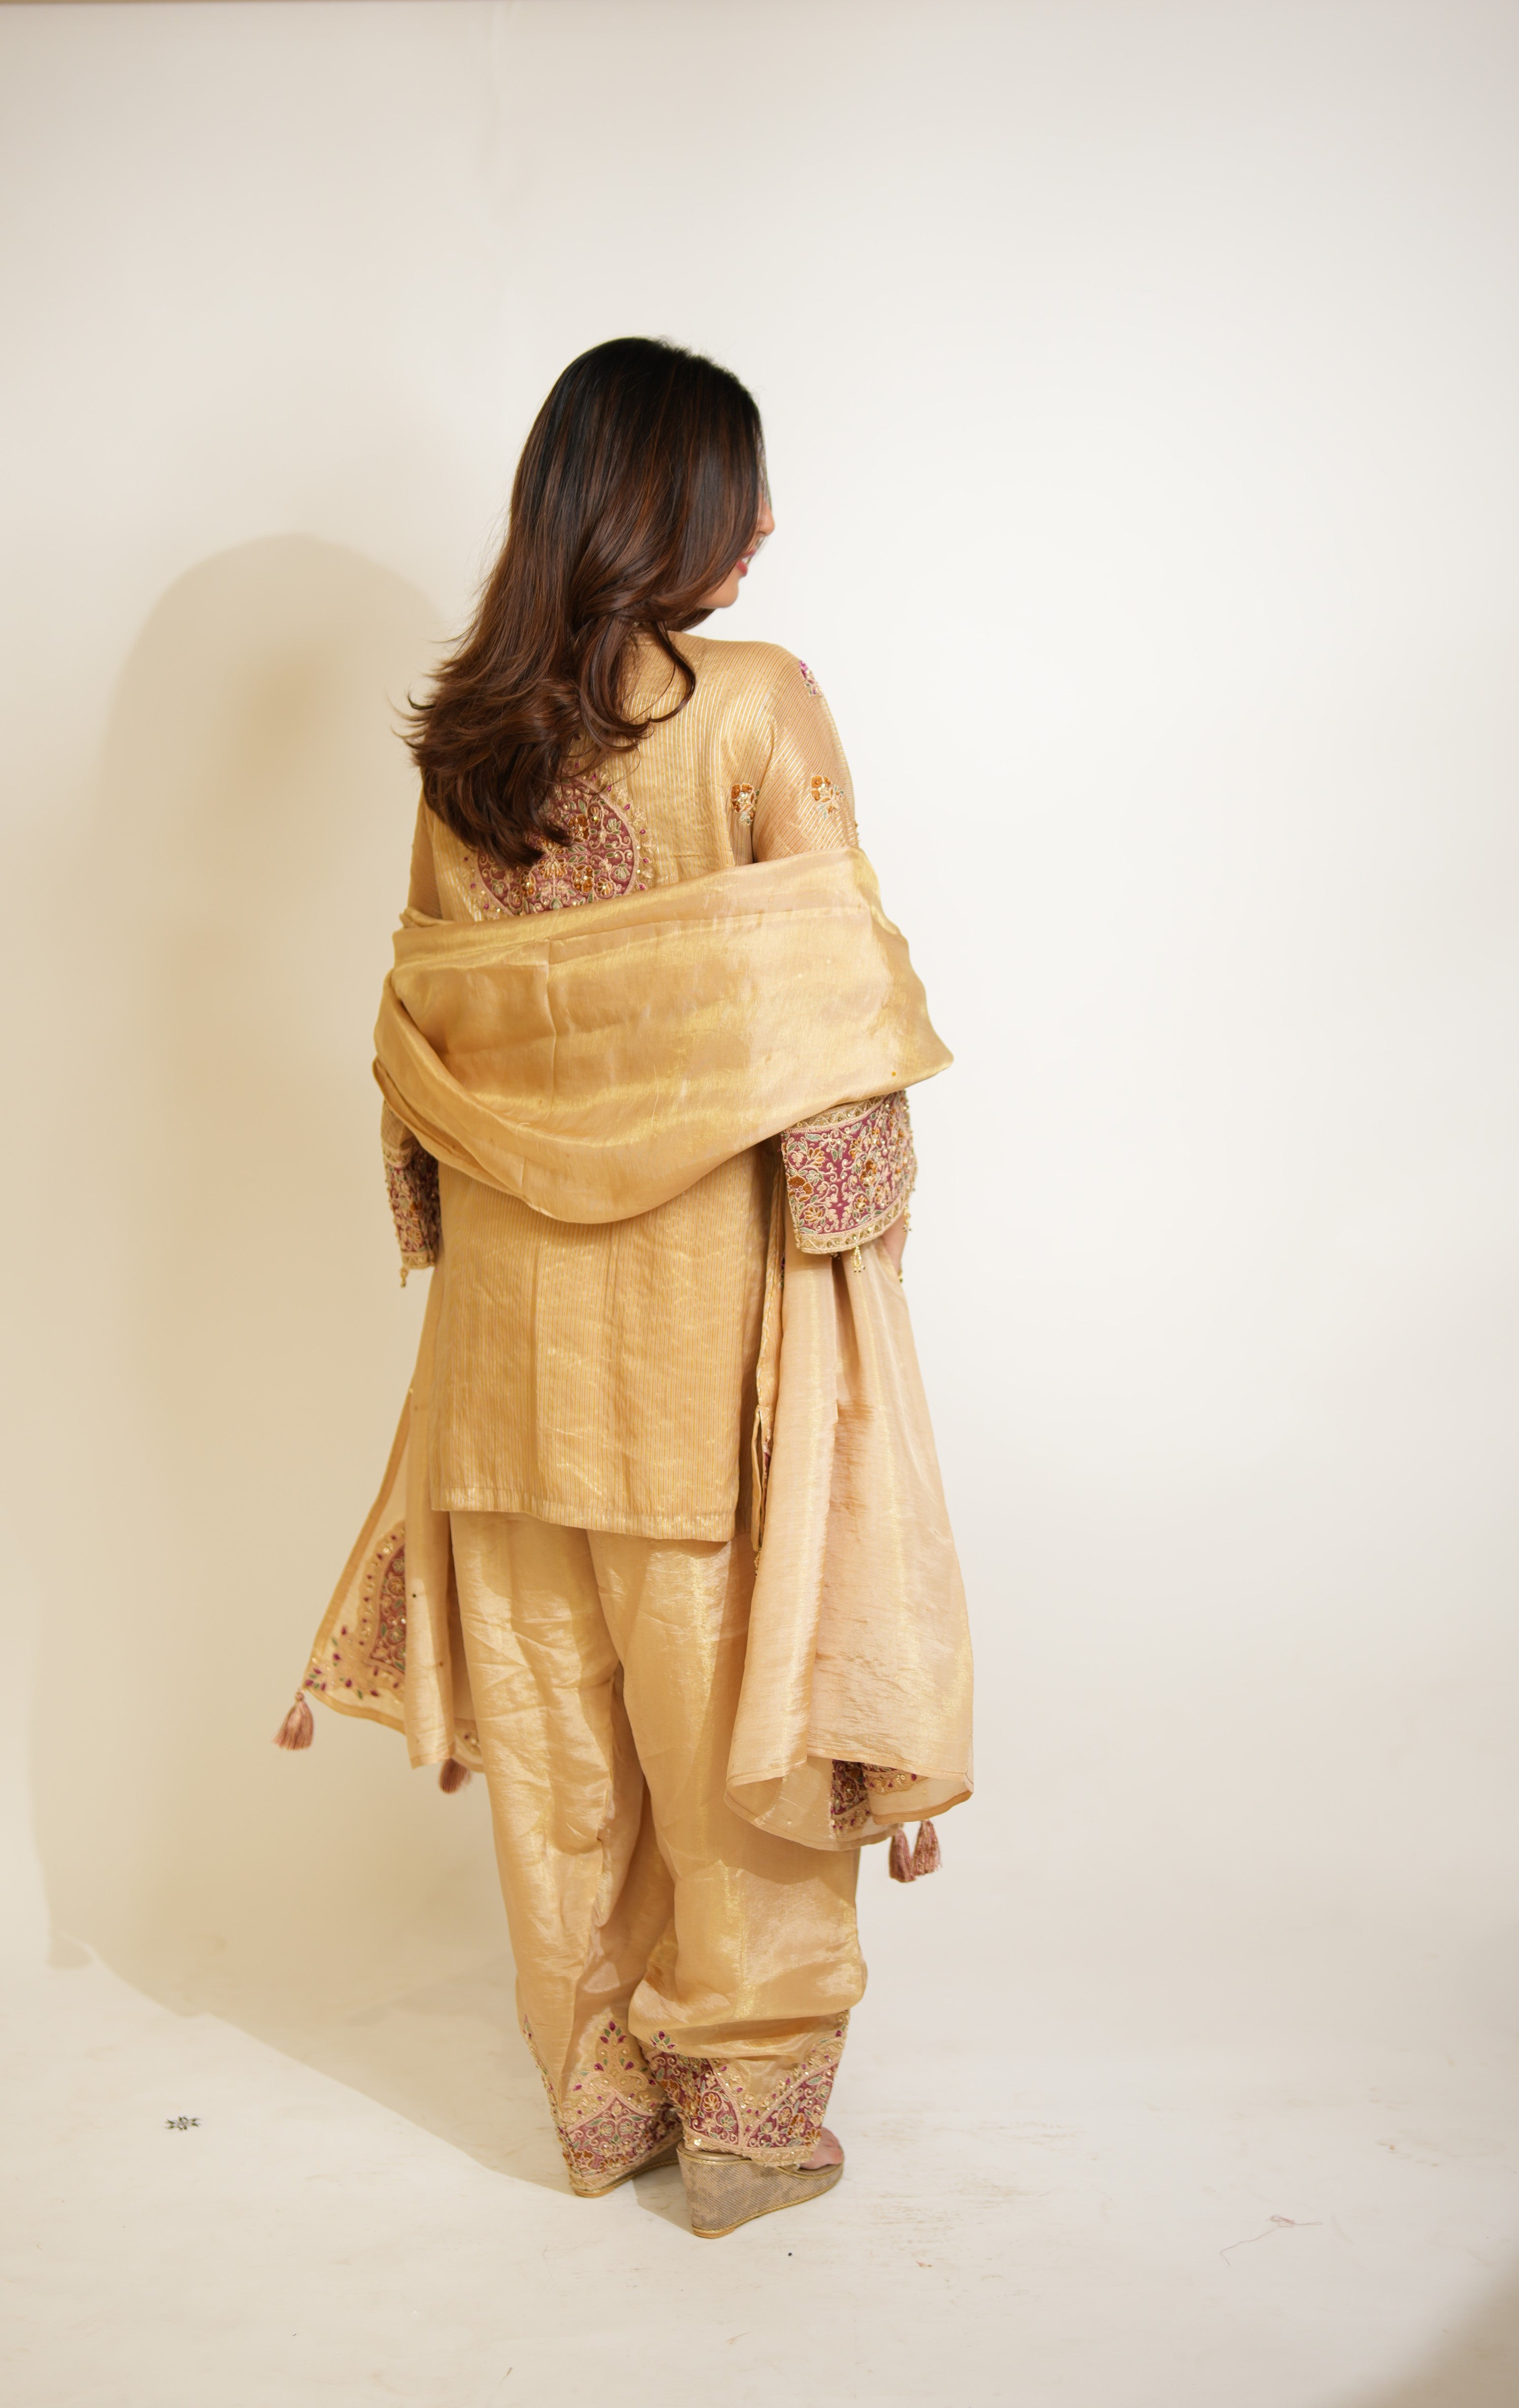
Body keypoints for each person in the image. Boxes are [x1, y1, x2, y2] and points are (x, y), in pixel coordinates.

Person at [281, 337, 972, 2237]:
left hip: (503, 1361)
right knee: (728, 1722)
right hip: (692, 1336)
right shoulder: (754, 707)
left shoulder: (466, 752)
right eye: (742, 488)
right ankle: (742, 2113)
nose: (769, 524)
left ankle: (596, 2099)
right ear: (669, 508)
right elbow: (834, 1009)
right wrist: (856, 1251)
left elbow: (426, 1037)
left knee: (557, 1745)